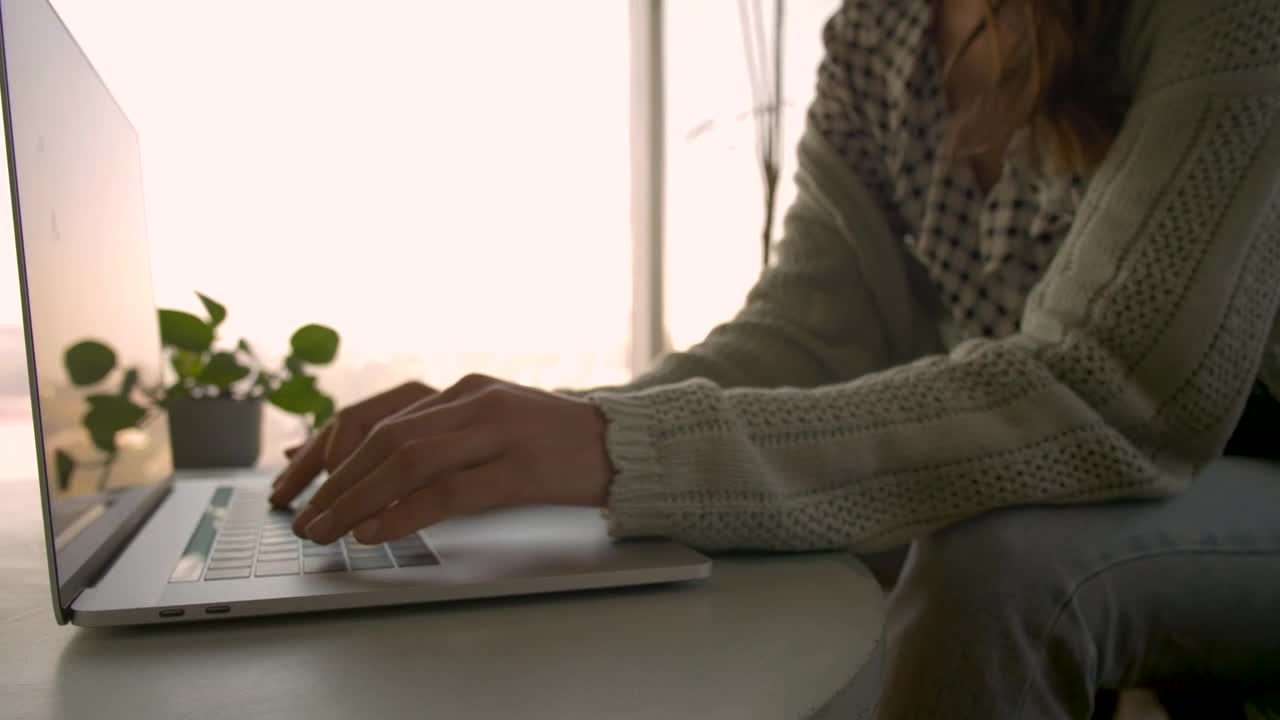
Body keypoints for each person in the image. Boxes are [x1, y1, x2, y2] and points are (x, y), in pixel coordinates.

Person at [270, 0, 1280, 716]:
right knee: (728, 535)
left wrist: (620, 447)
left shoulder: (1216, 17)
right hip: (1089, 449)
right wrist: (534, 434)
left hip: (1240, 460)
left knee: (998, 566)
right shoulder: (880, 32)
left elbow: (1116, 385)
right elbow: (802, 335)